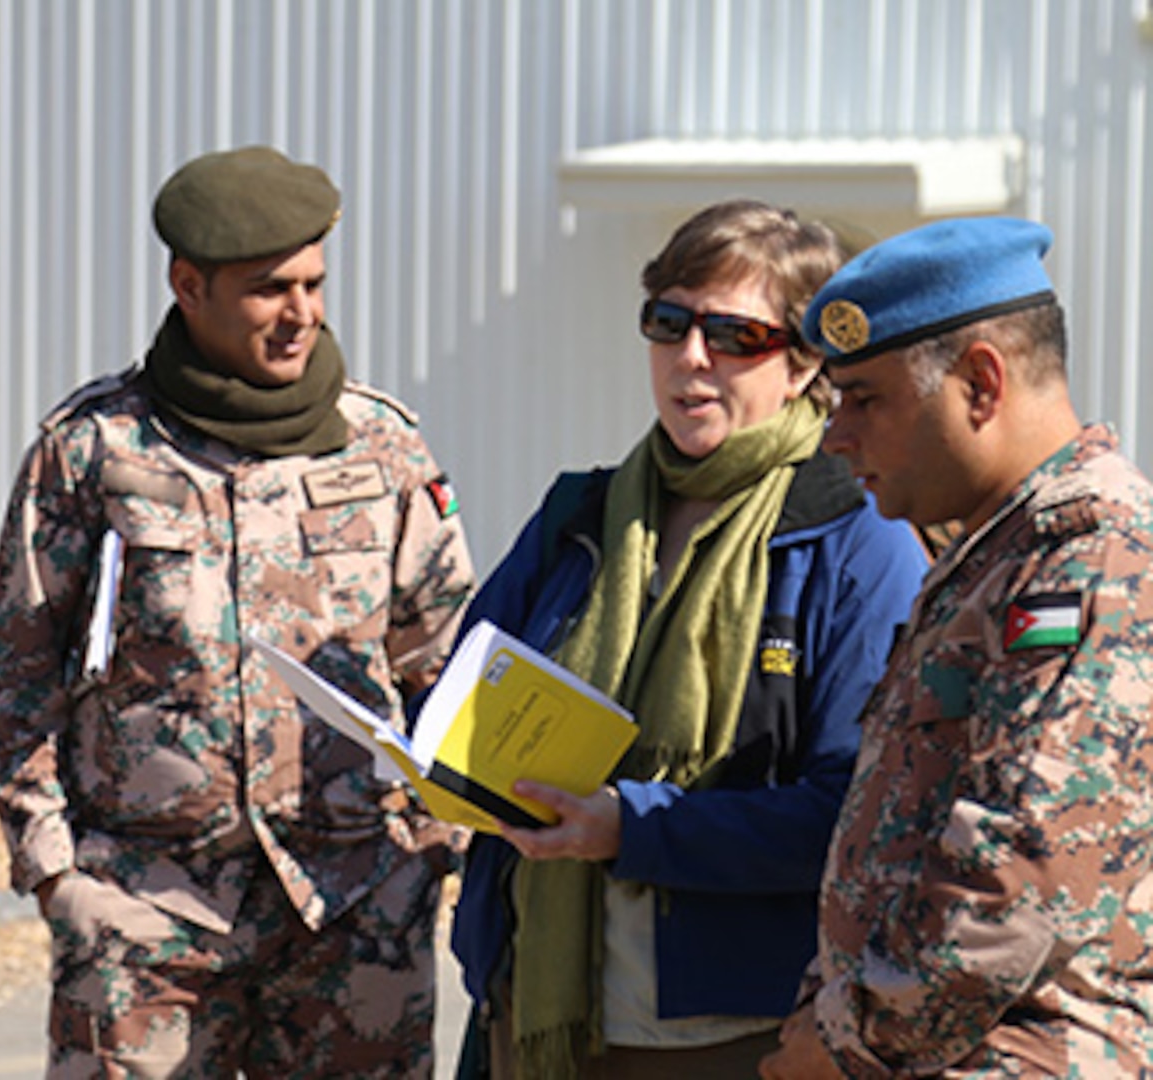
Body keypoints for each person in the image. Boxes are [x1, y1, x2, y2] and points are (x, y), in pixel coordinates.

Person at [0, 145, 476, 1079]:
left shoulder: (383, 447)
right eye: (269, 288)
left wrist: (434, 849)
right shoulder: (92, 452)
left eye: (315, 283)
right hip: (148, 919)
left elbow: (444, 663)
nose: (303, 314)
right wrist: (59, 875)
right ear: (189, 285)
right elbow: (12, 682)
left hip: (355, 913)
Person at [446, 199, 928, 1078]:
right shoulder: (581, 515)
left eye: (736, 335)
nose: (692, 356)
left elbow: (853, 814)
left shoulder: (858, 537)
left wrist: (631, 827)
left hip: (733, 1037)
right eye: (669, 322)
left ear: (802, 365)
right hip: (542, 1016)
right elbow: (462, 698)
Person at [760, 218, 1153, 1077]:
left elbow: (1017, 883)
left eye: (864, 400)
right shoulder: (997, 555)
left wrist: (841, 1040)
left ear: (981, 383)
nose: (836, 437)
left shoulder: (1091, 563)